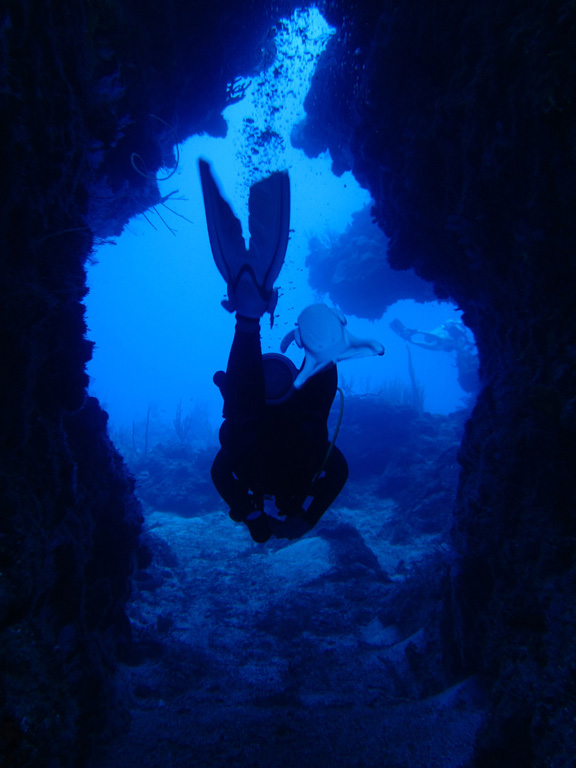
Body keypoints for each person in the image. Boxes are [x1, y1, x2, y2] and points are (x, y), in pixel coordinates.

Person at [199, 160, 384, 543]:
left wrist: (256, 516)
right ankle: (251, 317)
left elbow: (338, 471)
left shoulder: (278, 469)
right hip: (277, 420)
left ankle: (299, 334)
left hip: (277, 419)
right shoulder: (289, 471)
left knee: (258, 420)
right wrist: (296, 517)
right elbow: (338, 470)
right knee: (260, 419)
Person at [389, 317, 479, 394]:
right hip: (446, 340)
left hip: (448, 341)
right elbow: (428, 340)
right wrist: (414, 336)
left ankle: (407, 333)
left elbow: (427, 341)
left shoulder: (441, 343)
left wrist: (414, 336)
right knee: (436, 340)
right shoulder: (441, 342)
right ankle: (408, 333)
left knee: (436, 341)